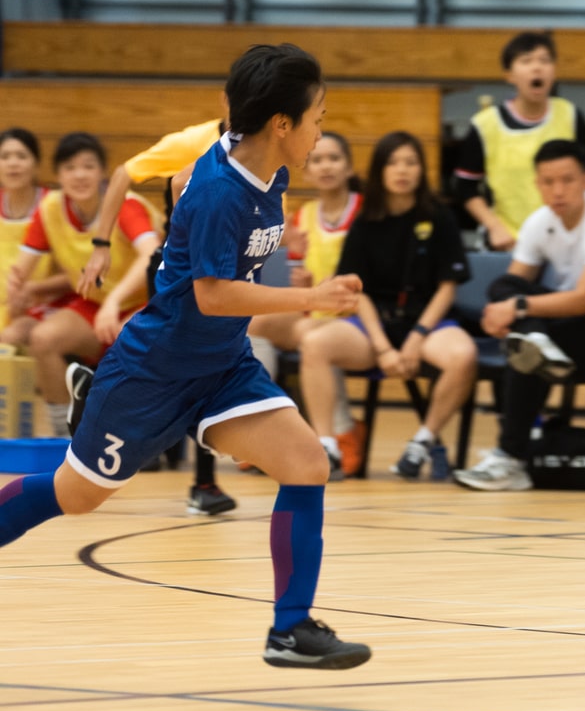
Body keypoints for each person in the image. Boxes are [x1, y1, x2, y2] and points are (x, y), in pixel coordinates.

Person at [0, 43, 373, 669]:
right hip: (153, 371)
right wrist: (312, 297)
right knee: (75, 495)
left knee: (308, 463)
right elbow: (214, 295)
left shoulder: (264, 167)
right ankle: (101, 394)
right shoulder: (222, 191)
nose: (321, 131)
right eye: (318, 117)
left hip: (221, 367)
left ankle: (290, 631)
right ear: (282, 123)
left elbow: (178, 183)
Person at [452, 139, 585, 492]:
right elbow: (513, 284)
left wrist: (517, 310)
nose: (558, 190)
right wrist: (505, 310)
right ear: (538, 184)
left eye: (567, 180)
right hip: (567, 323)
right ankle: (534, 340)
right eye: (548, 182)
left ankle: (510, 459)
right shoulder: (540, 221)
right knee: (505, 292)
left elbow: (584, 300)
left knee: (524, 346)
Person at [76, 112, 238, 515]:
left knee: (187, 368)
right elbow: (126, 175)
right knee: (194, 367)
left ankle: (94, 392)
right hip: (179, 269)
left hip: (224, 270)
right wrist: (101, 244)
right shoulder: (195, 143)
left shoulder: (269, 158)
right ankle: (204, 483)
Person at [297, 131, 476, 481]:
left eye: (411, 163)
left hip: (427, 325)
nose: (402, 170)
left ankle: (422, 442)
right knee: (315, 344)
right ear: (380, 170)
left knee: (463, 355)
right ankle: (327, 446)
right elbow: (358, 291)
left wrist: (416, 339)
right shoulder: (366, 221)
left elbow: (447, 288)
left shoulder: (440, 218)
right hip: (374, 326)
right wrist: (383, 348)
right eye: (393, 163)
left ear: (422, 170)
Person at [3, 133, 161, 438]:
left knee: (129, 341)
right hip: (94, 304)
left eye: (88, 166)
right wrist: (18, 290)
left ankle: (132, 438)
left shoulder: (125, 204)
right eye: (70, 167)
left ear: (103, 172)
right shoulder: (51, 208)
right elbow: (22, 267)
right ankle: (65, 434)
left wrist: (114, 302)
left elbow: (151, 255)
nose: (79, 175)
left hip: (148, 302)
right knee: (42, 338)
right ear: (58, 175)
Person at [248, 131, 367, 474]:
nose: (326, 166)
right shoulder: (301, 218)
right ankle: (258, 424)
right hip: (314, 313)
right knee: (252, 325)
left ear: (349, 166)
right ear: (308, 169)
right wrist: (302, 282)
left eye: (334, 158)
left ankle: (342, 433)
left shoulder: (367, 212)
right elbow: (300, 277)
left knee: (315, 337)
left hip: (358, 317)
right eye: (317, 160)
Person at [452, 30, 585, 251]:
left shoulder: (571, 116)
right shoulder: (485, 124)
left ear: (554, 71)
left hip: (564, 243)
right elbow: (465, 187)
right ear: (509, 75)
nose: (537, 67)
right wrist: (494, 226)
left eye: (544, 60)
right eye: (526, 61)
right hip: (507, 243)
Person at [0, 129, 48, 334]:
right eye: (5, 156)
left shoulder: (52, 205)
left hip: (42, 305)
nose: (13, 163)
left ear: (36, 164)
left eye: (21, 156)